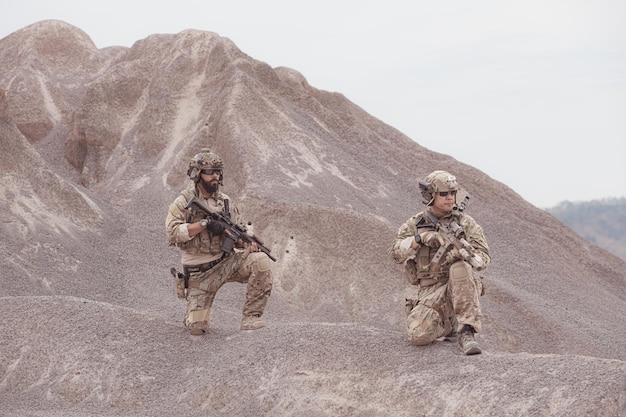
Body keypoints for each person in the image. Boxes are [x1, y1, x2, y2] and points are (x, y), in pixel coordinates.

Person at [165, 148, 273, 335]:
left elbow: (237, 235)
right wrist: (205, 224)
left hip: (226, 264)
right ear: (198, 174)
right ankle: (192, 314)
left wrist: (246, 244)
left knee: (261, 260)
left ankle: (251, 317)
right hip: (199, 274)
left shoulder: (226, 203)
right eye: (210, 172)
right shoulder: (183, 202)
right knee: (197, 329)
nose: (215, 176)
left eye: (217, 172)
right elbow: (172, 233)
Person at [389, 170, 491, 355]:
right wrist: (420, 239)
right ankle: (448, 324)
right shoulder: (415, 224)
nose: (450, 198)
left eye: (453, 193)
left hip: (460, 287)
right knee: (419, 336)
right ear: (430, 195)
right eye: (444, 193)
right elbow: (395, 253)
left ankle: (466, 332)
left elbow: (483, 258)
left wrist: (465, 255)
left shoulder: (466, 224)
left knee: (461, 268)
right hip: (431, 291)